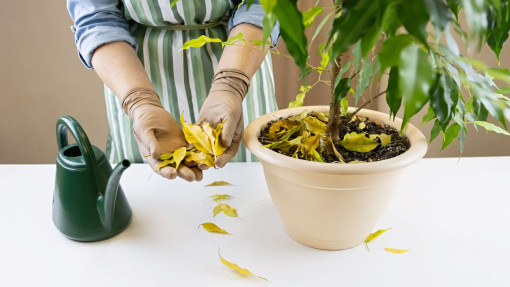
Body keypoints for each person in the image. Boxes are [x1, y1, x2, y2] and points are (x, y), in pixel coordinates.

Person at [67, 0, 280, 182]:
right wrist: (140, 101)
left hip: (239, 60)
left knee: (247, 192)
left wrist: (231, 85)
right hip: (134, 70)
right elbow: (96, 18)